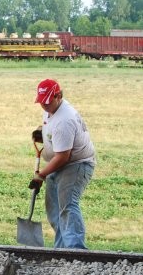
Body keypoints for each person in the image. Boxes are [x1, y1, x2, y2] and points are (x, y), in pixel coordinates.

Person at [29, 79, 95, 249]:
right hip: (57, 163)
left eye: (47, 101)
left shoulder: (65, 120)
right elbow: (53, 129)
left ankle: (75, 251)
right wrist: (43, 134)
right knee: (54, 210)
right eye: (41, 101)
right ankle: (61, 251)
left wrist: (41, 175)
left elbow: (63, 157)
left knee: (67, 206)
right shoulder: (51, 109)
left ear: (58, 96)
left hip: (75, 165)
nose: (44, 105)